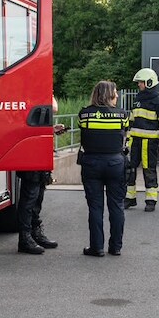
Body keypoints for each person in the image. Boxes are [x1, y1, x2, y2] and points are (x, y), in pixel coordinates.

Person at [77, 81, 128, 257]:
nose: (118, 96)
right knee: (117, 206)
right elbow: (125, 135)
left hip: (91, 164)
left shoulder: (85, 114)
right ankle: (116, 247)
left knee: (95, 207)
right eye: (115, 93)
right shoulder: (122, 115)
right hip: (115, 164)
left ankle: (96, 247)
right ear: (109, 95)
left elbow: (83, 132)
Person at [16, 98, 67, 254]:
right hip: (31, 153)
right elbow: (54, 107)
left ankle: (34, 233)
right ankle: (25, 238)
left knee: (38, 197)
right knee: (30, 197)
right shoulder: (30, 95)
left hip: (40, 153)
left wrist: (51, 129)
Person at [125, 67, 159, 212]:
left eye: (141, 82)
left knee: (149, 171)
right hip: (135, 142)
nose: (139, 85)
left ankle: (151, 200)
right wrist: (126, 139)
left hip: (150, 143)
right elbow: (131, 121)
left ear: (149, 83)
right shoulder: (138, 99)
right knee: (129, 170)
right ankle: (129, 198)